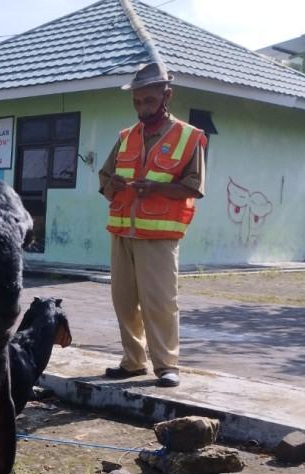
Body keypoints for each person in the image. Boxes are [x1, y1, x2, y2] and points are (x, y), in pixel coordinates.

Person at [97, 62, 206, 388]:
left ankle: (166, 365)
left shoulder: (189, 137)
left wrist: (157, 188)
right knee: (124, 301)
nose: (142, 108)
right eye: (137, 102)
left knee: (160, 302)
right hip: (122, 232)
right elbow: (104, 179)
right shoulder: (126, 137)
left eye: (148, 100)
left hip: (159, 235)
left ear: (166, 96)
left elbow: (194, 186)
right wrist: (113, 184)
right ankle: (133, 362)